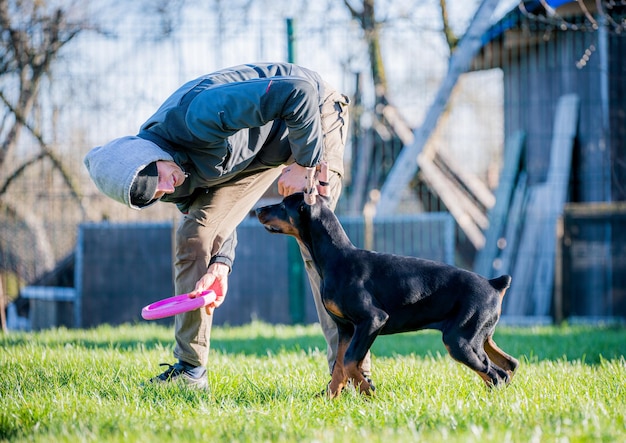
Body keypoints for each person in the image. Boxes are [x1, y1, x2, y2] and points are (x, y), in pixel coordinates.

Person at [84, 62, 372, 391]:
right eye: (155, 194)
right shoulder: (168, 181)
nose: (166, 187)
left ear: (148, 153)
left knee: (316, 240)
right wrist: (220, 265)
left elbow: (298, 93)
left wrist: (305, 166)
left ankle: (352, 372)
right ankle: (190, 371)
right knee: (196, 236)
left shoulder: (199, 115)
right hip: (259, 156)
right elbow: (221, 218)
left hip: (311, 117)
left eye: (158, 177)